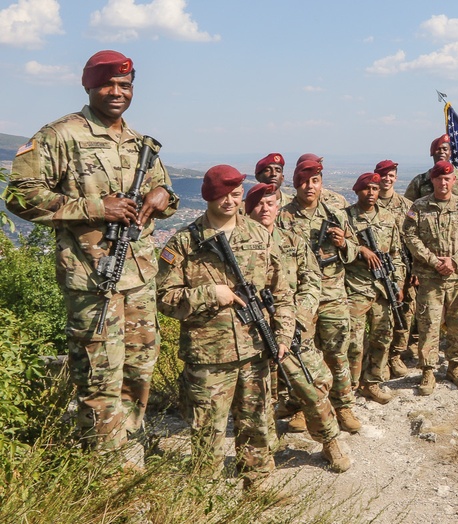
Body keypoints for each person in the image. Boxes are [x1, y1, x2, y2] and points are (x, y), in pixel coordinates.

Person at [4, 50, 179, 456]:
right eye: (108, 84)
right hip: (92, 277)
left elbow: (165, 192)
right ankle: (103, 463)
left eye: (125, 85)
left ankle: (127, 443)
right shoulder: (59, 135)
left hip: (138, 274)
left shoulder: (140, 143)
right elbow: (19, 196)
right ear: (89, 86)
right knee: (99, 373)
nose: (117, 92)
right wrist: (96, 207)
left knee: (139, 367)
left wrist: (162, 195)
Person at [156, 165, 294, 486]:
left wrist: (284, 333)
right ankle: (205, 499)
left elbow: (281, 291)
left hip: (255, 350)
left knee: (257, 426)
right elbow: (164, 298)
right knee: (208, 433)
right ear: (209, 196)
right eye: (223, 195)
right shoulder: (183, 243)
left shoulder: (259, 235)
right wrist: (211, 294)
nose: (230, 202)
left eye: (236, 195)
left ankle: (257, 489)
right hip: (208, 357)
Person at [242, 183, 351, 471]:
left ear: (279, 206)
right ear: (248, 209)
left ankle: (329, 442)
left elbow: (311, 280)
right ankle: (264, 454)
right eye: (259, 204)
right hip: (252, 332)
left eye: (271, 203)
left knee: (313, 386)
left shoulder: (292, 240)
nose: (265, 209)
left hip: (292, 330)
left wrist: (298, 319)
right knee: (261, 396)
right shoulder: (236, 243)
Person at [277, 160, 363, 433]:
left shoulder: (336, 215)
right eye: (303, 181)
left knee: (338, 353)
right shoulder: (283, 217)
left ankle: (344, 406)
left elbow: (354, 252)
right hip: (300, 299)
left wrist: (343, 243)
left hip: (333, 295)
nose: (309, 187)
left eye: (314, 181)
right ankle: (303, 407)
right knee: (302, 356)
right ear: (295, 184)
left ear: (321, 183)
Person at [402, 160, 458, 396]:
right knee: (428, 324)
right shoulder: (419, 206)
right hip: (430, 278)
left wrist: (454, 260)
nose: (444, 183)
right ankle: (427, 371)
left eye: (448, 179)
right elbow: (410, 236)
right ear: (433, 181)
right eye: (439, 179)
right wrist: (434, 261)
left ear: (454, 181)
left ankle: (454, 367)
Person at [344, 173, 405, 404]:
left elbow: (396, 255)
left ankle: (372, 382)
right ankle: (350, 385)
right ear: (357, 190)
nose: (371, 193)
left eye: (375, 189)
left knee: (382, 337)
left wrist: (397, 283)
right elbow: (338, 248)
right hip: (355, 287)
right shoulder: (345, 217)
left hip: (382, 288)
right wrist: (360, 249)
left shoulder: (388, 218)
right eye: (366, 189)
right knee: (354, 342)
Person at [375, 159, 417, 377]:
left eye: (391, 175)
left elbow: (415, 237)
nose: (387, 179)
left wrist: (416, 269)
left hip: (403, 266)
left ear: (396, 178)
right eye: (384, 175)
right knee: (380, 314)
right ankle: (379, 359)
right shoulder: (370, 202)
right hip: (377, 267)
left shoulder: (406, 205)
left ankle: (396, 355)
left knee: (405, 310)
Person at [404, 134, 458, 202]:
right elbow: (408, 206)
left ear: (450, 153)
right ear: (432, 152)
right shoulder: (420, 181)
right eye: (438, 149)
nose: (441, 152)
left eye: (445, 149)